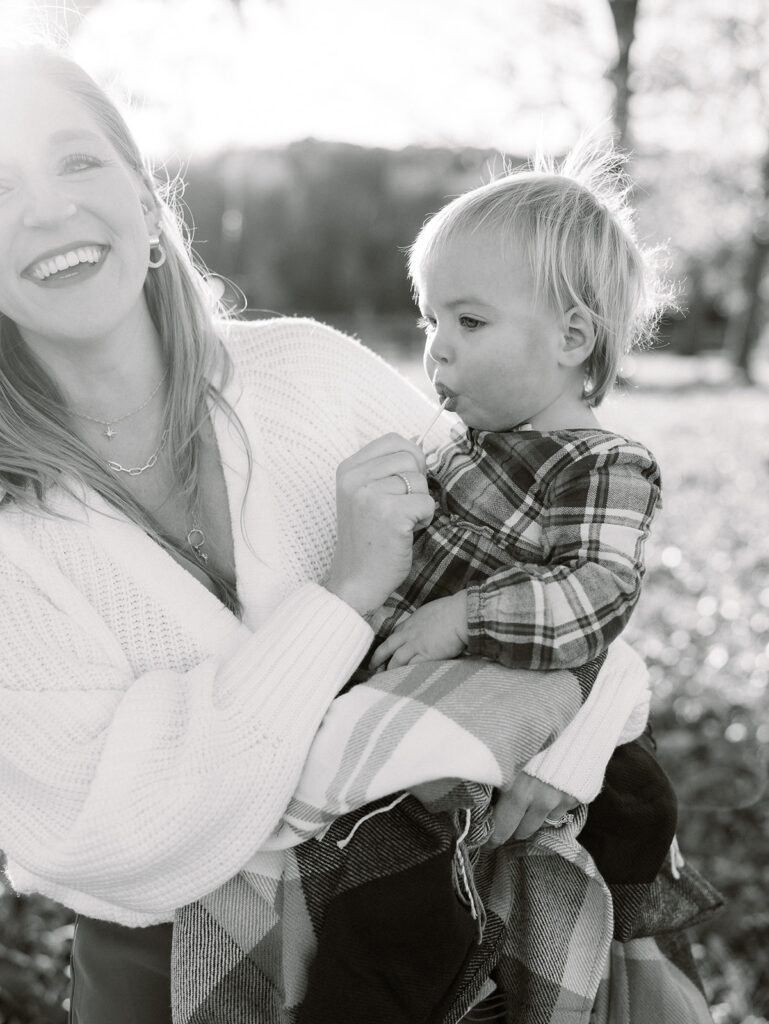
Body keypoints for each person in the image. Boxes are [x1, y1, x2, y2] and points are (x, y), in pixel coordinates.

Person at [0, 46, 660, 1024]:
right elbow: (112, 832)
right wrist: (341, 600)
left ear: (147, 205)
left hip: (461, 927)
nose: (48, 208)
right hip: (176, 975)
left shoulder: (311, 374)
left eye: (78, 162)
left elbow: (585, 579)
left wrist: (558, 743)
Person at [289, 146, 687, 1022]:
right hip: (428, 732)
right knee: (383, 893)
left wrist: (465, 616)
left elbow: (596, 593)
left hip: (510, 723)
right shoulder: (459, 448)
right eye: (430, 318)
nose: (435, 350)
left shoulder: (600, 463)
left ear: (572, 338)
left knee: (404, 919)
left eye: (468, 322)